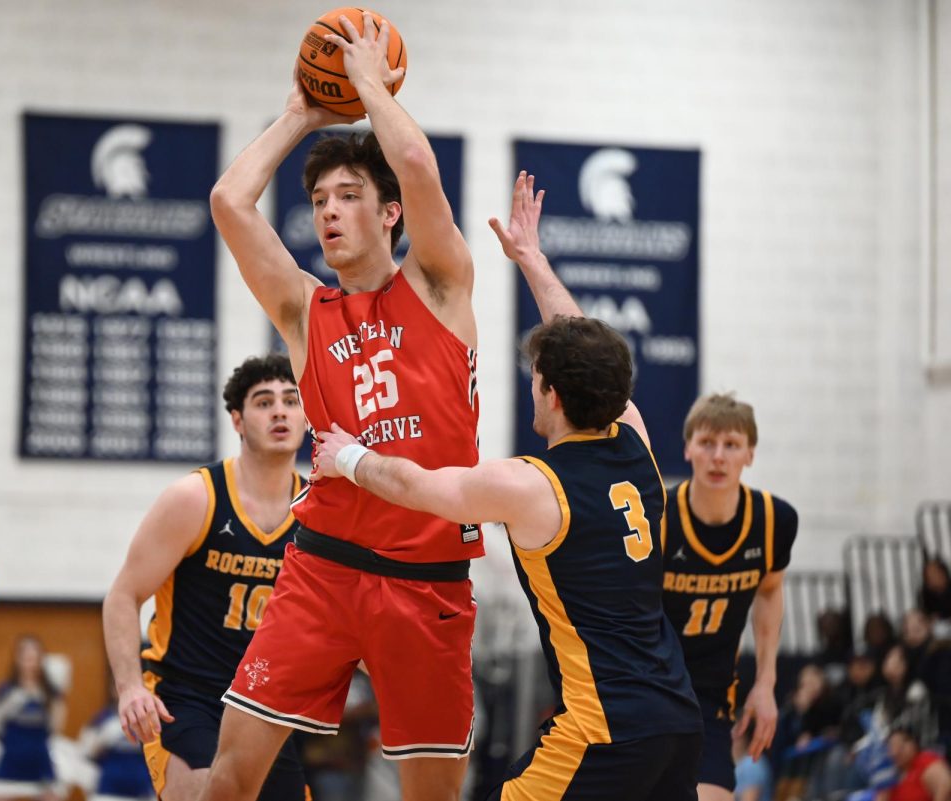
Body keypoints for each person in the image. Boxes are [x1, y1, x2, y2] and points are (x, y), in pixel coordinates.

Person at [313, 172, 703, 801]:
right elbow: (586, 346)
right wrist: (532, 260)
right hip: (677, 722)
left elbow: (416, 486)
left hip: (603, 729)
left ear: (551, 393)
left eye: (535, 378)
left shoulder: (530, 485)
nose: (531, 387)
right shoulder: (637, 443)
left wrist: (348, 456)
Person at [203, 11, 481, 801]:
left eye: (349, 195)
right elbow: (229, 200)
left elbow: (418, 162)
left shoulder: (438, 283)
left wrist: (367, 83)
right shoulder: (304, 309)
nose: (328, 211)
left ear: (389, 213)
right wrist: (300, 112)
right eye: (320, 198)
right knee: (229, 780)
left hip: (427, 578)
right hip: (321, 568)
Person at [103, 355, 309, 800]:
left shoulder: (319, 511)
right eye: (263, 402)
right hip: (187, 695)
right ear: (237, 419)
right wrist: (129, 688)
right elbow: (123, 595)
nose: (279, 411)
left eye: (291, 401)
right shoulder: (195, 498)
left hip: (264, 703)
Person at [658, 392, 799, 801]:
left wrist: (767, 682)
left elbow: (770, 591)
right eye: (707, 443)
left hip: (712, 701)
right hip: (649, 690)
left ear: (749, 454)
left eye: (731, 445)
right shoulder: (659, 517)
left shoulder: (774, 521)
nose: (718, 456)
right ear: (688, 449)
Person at [0, 635, 65, 801]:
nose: (30, 662)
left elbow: (55, 728)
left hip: (40, 760)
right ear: (17, 659)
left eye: (35, 657)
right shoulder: (3, 692)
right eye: (26, 657)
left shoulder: (51, 693)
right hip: (10, 759)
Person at [882, 727, 951, 801]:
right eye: (892, 745)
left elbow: (946, 787)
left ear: (915, 743)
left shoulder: (923, 760)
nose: (897, 751)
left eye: (903, 743)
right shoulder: (890, 776)